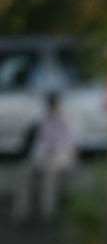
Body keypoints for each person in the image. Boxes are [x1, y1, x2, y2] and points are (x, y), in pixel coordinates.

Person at [13, 92, 78, 222]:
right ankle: (21, 213)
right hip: (42, 158)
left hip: (60, 158)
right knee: (24, 172)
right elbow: (38, 144)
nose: (52, 108)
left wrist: (55, 153)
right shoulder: (41, 120)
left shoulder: (67, 121)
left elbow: (70, 144)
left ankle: (48, 212)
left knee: (50, 173)